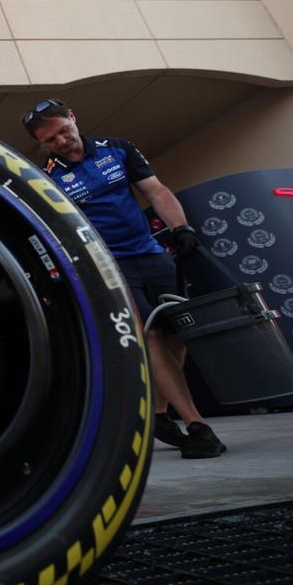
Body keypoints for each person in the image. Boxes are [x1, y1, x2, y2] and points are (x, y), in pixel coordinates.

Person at [23, 99, 226, 459]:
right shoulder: (46, 178)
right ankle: (197, 425)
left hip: (150, 252)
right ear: (41, 144)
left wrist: (181, 229)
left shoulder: (117, 148)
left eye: (63, 131)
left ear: (73, 116)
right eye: (51, 140)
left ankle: (159, 414)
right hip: (106, 264)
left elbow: (156, 190)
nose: (62, 142)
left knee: (177, 331)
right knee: (146, 335)